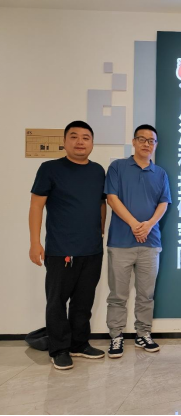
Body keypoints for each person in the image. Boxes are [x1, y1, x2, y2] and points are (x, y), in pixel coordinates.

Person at [29, 121, 107, 371]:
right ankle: (59, 349)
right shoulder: (50, 169)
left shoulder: (98, 171)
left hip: (92, 249)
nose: (80, 142)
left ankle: (79, 344)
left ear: (92, 143)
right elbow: (36, 206)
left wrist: (101, 231)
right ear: (64, 142)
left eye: (86, 137)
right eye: (74, 136)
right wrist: (34, 243)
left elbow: (101, 204)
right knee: (57, 301)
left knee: (84, 301)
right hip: (60, 249)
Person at [105, 125, 171, 359]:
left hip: (150, 243)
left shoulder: (160, 173)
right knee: (118, 295)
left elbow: (164, 203)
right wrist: (135, 224)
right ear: (133, 142)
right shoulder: (118, 167)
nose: (146, 144)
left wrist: (149, 225)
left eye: (151, 141)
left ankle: (143, 334)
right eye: (142, 139)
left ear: (155, 145)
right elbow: (112, 198)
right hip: (120, 242)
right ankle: (116, 336)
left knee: (146, 294)